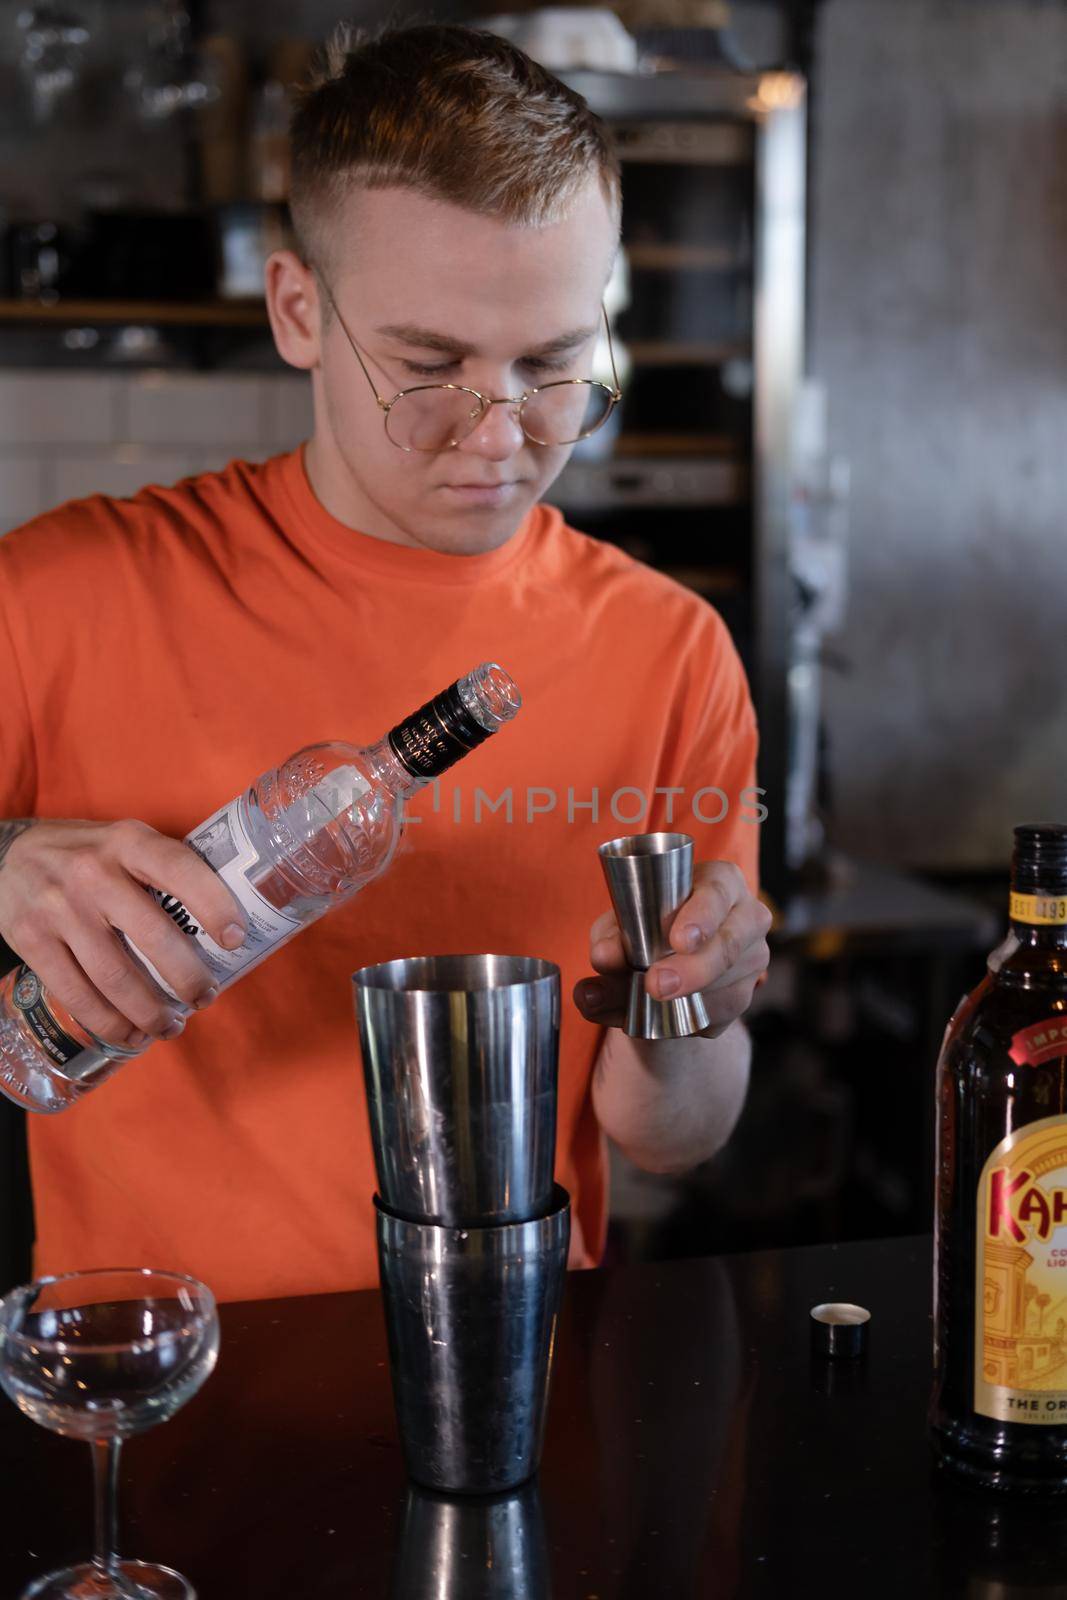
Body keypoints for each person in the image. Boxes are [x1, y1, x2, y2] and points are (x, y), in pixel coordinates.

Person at [0, 23, 771, 1302]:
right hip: (160, 1390)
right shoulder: (62, 596)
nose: (500, 430)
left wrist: (690, 1003)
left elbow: (668, 1135)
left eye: (554, 366)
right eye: (428, 365)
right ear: (299, 310)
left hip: (515, 1376)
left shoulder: (668, 651)